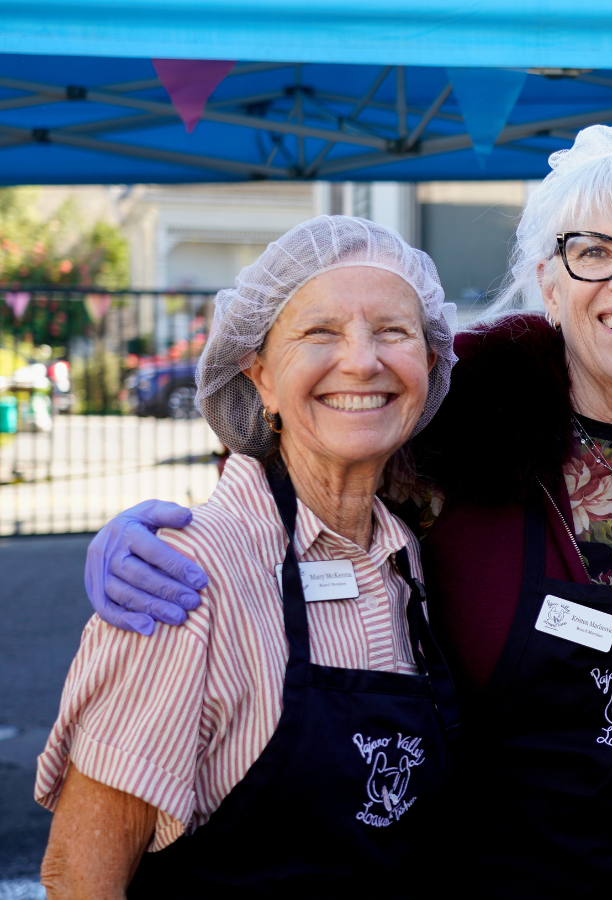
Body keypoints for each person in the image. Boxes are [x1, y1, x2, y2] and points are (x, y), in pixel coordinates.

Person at [78, 119, 612, 896]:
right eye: (592, 251)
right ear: (549, 283)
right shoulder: (451, 423)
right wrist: (154, 535)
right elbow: (305, 460)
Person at [37, 217, 460, 898]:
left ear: (430, 363)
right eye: (319, 332)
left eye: (393, 331)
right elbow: (78, 879)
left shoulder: (405, 556)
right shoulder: (184, 579)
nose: (362, 361)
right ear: (260, 376)